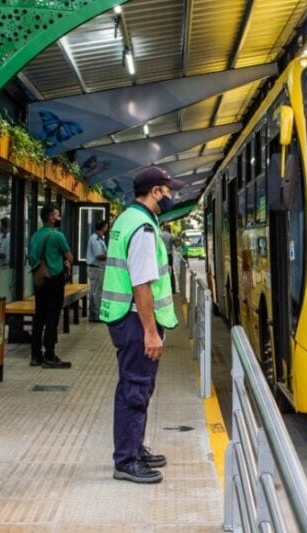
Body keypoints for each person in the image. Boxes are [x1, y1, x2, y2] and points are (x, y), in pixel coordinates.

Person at [101, 165, 183, 484]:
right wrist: (151, 332)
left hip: (126, 317)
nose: (171, 195)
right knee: (135, 388)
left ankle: (134, 447)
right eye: (168, 190)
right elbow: (142, 285)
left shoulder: (128, 218)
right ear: (154, 192)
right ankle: (126, 460)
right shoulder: (144, 229)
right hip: (136, 320)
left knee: (137, 385)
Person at [28, 205, 74, 368]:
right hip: (54, 279)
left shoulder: (35, 236)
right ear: (51, 218)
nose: (60, 217)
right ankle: (49, 356)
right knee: (52, 317)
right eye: (57, 215)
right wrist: (65, 261)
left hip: (39, 280)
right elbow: (70, 257)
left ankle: (35, 355)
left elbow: (31, 258)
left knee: (39, 317)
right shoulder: (57, 236)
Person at [86, 220, 109, 322]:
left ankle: (93, 315)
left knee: (94, 292)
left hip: (97, 268)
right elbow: (99, 255)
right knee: (97, 292)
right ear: (103, 227)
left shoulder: (100, 238)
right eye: (107, 226)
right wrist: (110, 257)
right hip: (96, 268)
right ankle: (97, 316)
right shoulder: (95, 239)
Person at [160, 223, 175, 293]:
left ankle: (163, 289)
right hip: (169, 255)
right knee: (171, 272)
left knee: (162, 272)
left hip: (161, 256)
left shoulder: (160, 235)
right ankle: (172, 289)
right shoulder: (171, 236)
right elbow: (176, 244)